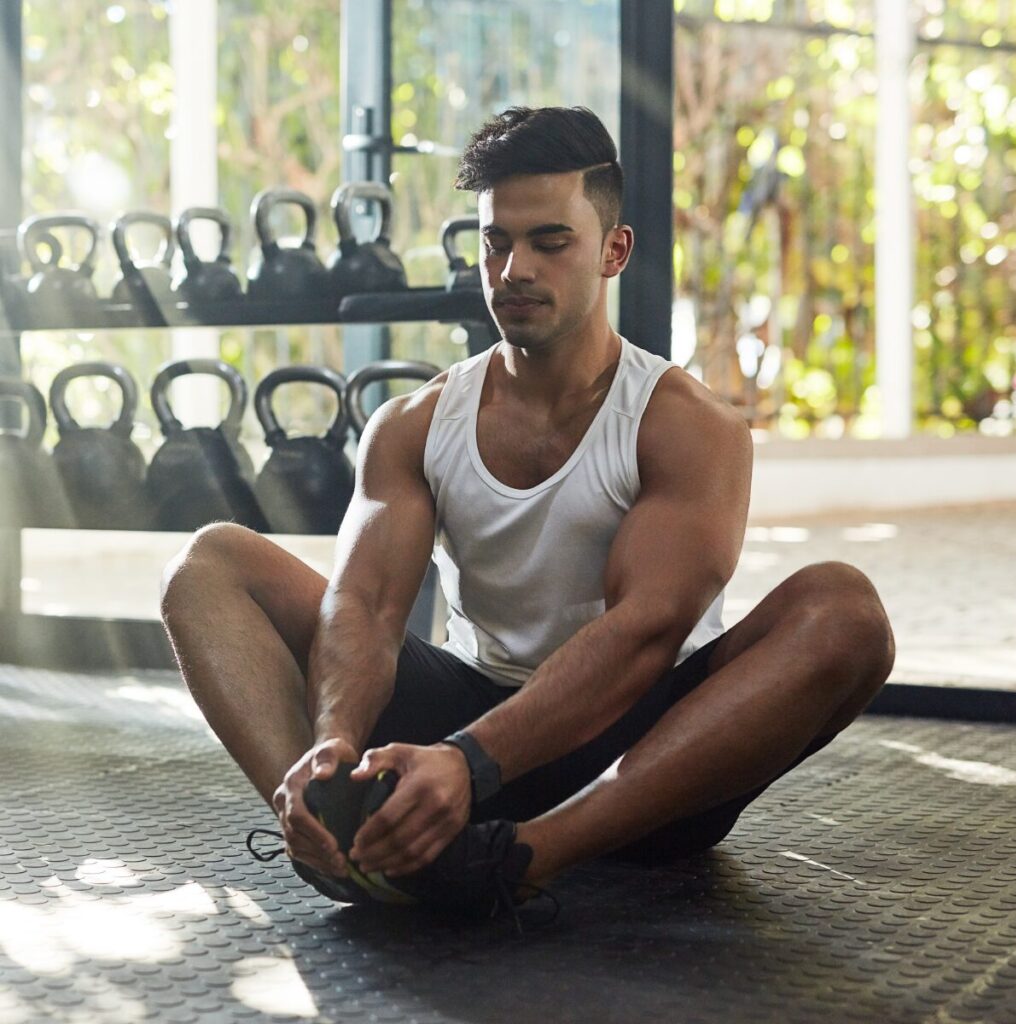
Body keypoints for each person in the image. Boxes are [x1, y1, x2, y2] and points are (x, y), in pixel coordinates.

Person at [161, 105, 894, 921]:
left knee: (845, 612)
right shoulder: (414, 422)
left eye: (551, 242)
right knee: (209, 564)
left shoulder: (687, 426)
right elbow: (363, 607)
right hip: (466, 711)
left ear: (613, 250)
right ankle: (326, 827)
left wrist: (471, 764)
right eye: (497, 243)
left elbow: (644, 634)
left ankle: (524, 859)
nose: (514, 269)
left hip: (639, 761)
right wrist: (335, 738)